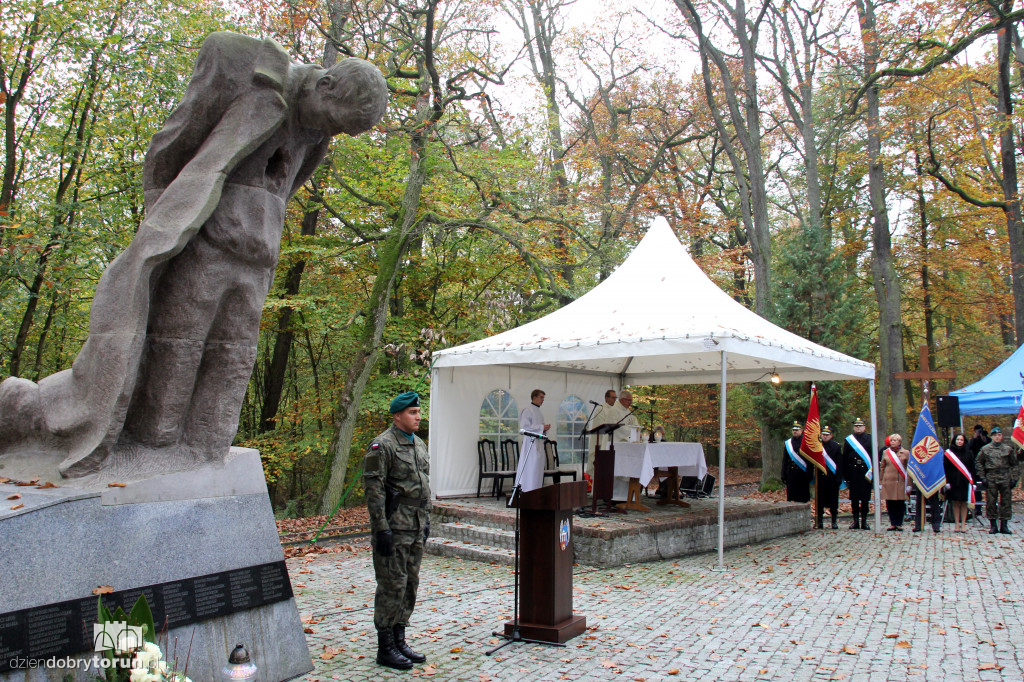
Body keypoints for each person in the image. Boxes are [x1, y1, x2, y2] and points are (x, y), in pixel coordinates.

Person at [0, 31, 390, 478]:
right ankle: (147, 442)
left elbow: (283, 188)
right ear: (325, 86)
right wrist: (165, 221)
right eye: (334, 121)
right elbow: (173, 143)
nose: (330, 133)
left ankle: (203, 448)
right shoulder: (256, 79)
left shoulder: (318, 134)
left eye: (341, 131)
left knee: (233, 357)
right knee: (176, 348)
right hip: (204, 245)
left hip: (256, 260)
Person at [364, 391, 431, 670]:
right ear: (397, 416)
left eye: (419, 412)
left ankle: (399, 638)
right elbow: (374, 489)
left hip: (415, 525)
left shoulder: (419, 444)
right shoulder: (383, 445)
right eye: (412, 413)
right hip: (394, 525)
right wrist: (381, 529)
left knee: (410, 583)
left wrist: (426, 521)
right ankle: (385, 647)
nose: (418, 417)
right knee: (392, 584)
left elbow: (423, 484)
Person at [976, 426, 1021, 534]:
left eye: (999, 435)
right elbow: (979, 462)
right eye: (995, 435)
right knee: (991, 501)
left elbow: (1014, 464)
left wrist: (1014, 479)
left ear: (1002, 436)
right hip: (991, 477)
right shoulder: (985, 449)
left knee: (1006, 501)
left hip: (1005, 477)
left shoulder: (1008, 449)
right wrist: (982, 477)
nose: (997, 437)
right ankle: (993, 525)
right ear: (991, 437)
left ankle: (1004, 525)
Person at [841, 417, 873, 530]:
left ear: (864, 427)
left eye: (860, 426)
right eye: (856, 426)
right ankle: (855, 521)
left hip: (866, 472)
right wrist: (846, 475)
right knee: (854, 498)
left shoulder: (870, 439)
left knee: (865, 498)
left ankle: (864, 521)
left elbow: (874, 456)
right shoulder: (849, 440)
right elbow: (845, 458)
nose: (858, 428)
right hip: (853, 472)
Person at [517, 389, 550, 492]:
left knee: (537, 469)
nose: (543, 400)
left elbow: (540, 428)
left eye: (543, 398)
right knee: (530, 467)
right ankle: (527, 489)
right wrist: (542, 427)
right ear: (534, 397)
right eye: (541, 397)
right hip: (530, 445)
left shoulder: (539, 412)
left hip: (539, 444)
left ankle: (536, 490)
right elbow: (524, 427)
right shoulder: (528, 410)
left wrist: (544, 429)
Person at [943, 432, 976, 533]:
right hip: (953, 481)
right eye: (958, 439)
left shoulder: (969, 453)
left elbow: (972, 468)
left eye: (961, 440)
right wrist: (947, 482)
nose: (959, 441)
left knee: (964, 503)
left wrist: (973, 482)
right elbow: (946, 468)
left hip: (965, 481)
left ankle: (963, 524)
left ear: (964, 441)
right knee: (956, 502)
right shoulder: (949, 453)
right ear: (954, 441)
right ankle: (957, 524)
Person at [878, 433, 910, 531]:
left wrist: (909, 484)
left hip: (900, 482)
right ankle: (892, 523)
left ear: (899, 442)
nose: (892, 442)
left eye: (895, 440)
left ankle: (899, 523)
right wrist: (880, 481)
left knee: (900, 503)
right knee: (890, 503)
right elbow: (882, 467)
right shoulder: (886, 452)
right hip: (888, 481)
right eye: (891, 440)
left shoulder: (906, 453)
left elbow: (909, 469)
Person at [817, 426, 843, 529]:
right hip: (821, 477)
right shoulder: (818, 446)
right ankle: (819, 521)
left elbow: (840, 463)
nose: (825, 436)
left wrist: (839, 477)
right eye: (823, 434)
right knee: (820, 500)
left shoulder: (836, 446)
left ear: (831, 436)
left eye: (827, 435)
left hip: (832, 477)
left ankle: (834, 521)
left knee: (833, 500)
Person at [781, 421, 812, 503]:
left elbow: (810, 460)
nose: (795, 431)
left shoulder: (806, 442)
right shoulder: (788, 443)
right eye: (793, 430)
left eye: (797, 430)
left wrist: (809, 473)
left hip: (803, 473)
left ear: (801, 431)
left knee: (802, 497)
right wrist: (783, 474)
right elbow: (785, 459)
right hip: (791, 473)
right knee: (791, 496)